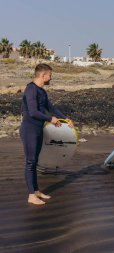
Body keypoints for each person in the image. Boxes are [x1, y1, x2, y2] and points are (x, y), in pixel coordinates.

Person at [20, 63, 74, 205]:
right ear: (43, 75)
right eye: (50, 75)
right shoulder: (31, 89)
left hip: (38, 129)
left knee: (35, 161)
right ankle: (31, 195)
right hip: (29, 129)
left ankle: (36, 190)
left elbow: (51, 108)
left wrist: (65, 119)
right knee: (30, 162)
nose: (51, 78)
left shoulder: (42, 91)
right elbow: (33, 112)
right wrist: (50, 119)